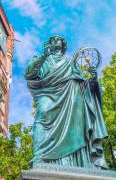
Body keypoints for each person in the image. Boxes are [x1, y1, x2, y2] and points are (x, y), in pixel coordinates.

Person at [24, 36, 108, 169]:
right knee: (42, 115)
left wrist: (92, 80)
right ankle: (39, 156)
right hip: (48, 93)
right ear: (48, 45)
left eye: (58, 40)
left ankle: (77, 162)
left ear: (63, 45)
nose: (56, 41)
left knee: (77, 127)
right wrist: (43, 57)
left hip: (72, 96)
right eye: (52, 40)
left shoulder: (71, 63)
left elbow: (84, 86)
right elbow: (29, 74)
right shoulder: (41, 59)